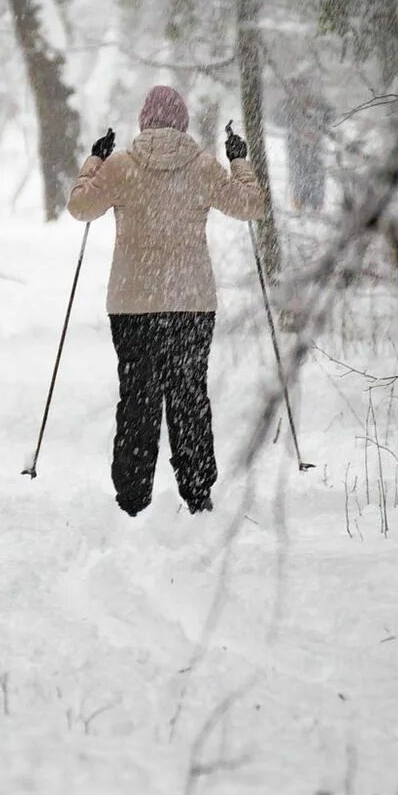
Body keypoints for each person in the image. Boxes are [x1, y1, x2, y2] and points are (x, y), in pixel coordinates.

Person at [67, 85, 267, 516]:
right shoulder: (203, 167)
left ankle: (133, 497)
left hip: (132, 305)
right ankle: (197, 492)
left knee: (137, 397)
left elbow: (80, 207)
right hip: (190, 304)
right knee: (188, 395)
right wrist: (239, 161)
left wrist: (95, 161)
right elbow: (251, 206)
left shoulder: (121, 167)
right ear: (183, 123)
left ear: (144, 122)